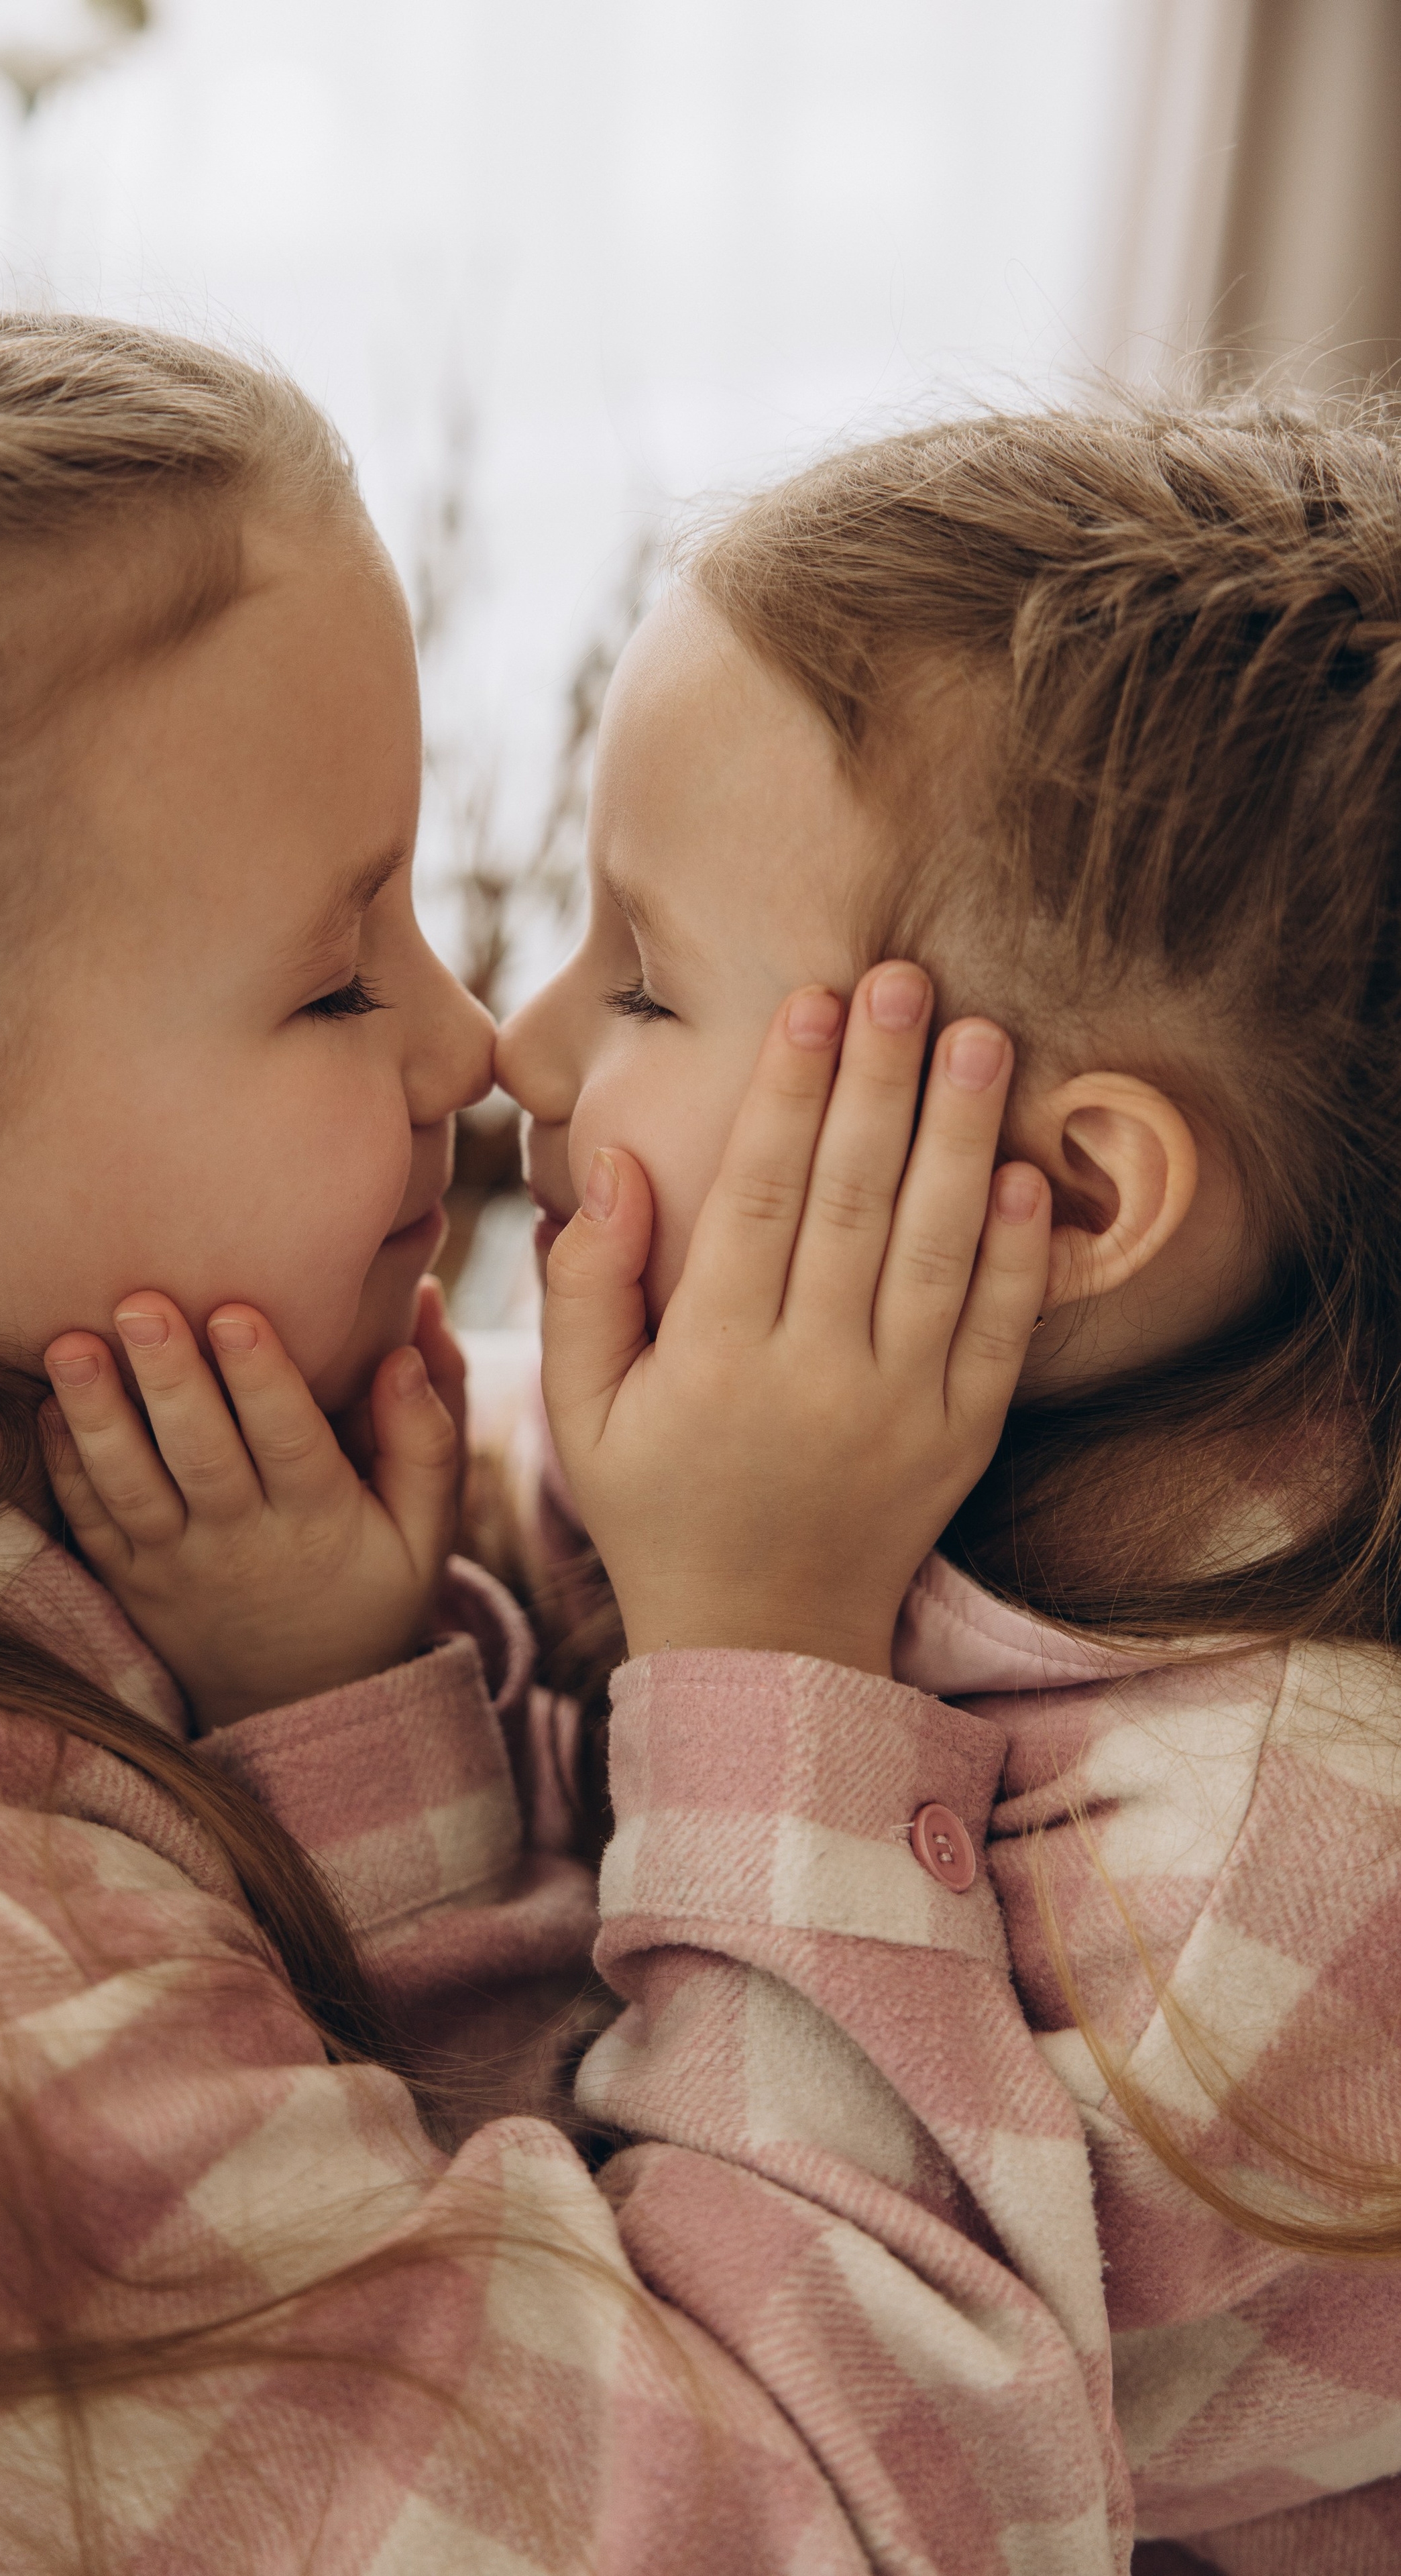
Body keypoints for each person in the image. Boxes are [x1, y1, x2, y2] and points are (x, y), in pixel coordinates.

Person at [0, 286, 1080, 2572]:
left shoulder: (116, 1496)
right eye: (338, 977)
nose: (476, 1048)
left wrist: (338, 1697)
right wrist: (772, 1644)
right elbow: (813, 2529)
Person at [494, 400, 1401, 2575]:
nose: (520, 1045)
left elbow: (663, 2389)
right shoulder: (783, 1442)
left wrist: (755, 1646)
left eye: (643, 981)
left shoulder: (1284, 1888)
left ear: (1064, 1199)